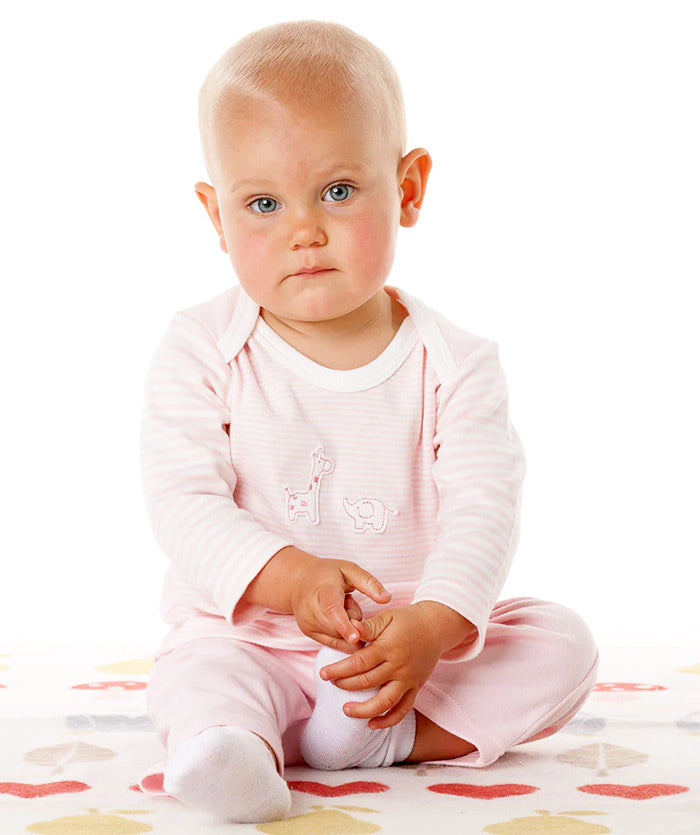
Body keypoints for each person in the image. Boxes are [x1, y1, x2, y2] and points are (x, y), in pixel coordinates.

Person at [139, 19, 599, 825]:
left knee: (562, 643)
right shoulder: (204, 346)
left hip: (401, 652)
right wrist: (290, 575)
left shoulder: (455, 362)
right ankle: (235, 748)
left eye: (339, 191)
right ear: (216, 216)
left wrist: (431, 624)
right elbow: (183, 503)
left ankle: (386, 734)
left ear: (409, 188)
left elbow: (483, 508)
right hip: (251, 640)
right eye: (263, 203)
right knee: (198, 673)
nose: (304, 229)